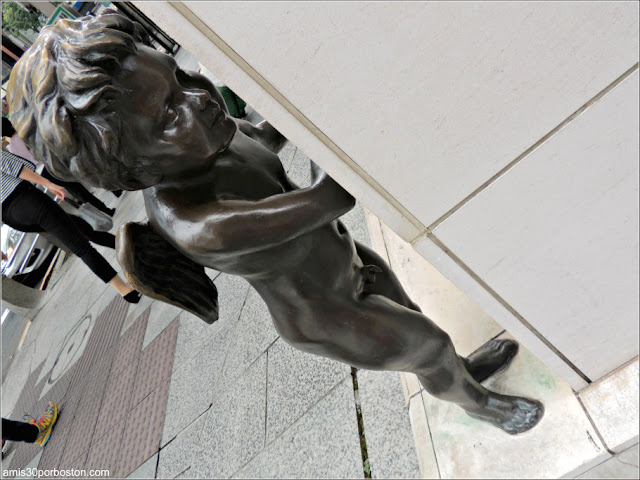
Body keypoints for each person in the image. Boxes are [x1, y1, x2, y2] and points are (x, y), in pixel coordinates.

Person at [6, 13, 542, 434]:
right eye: (169, 114)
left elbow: (268, 134)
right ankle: (482, 405)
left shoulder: (212, 139)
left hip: (348, 261)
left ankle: (462, 369)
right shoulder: (198, 222)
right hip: (327, 315)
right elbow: (331, 197)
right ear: (134, 166)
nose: (200, 98)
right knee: (423, 346)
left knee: (423, 328)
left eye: (180, 77)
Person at [1, 147, 141, 303]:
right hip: (26, 201)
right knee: (81, 247)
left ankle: (134, 247)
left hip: (12, 218)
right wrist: (49, 184)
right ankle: (125, 290)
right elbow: (14, 167)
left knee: (80, 227)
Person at [3, 116, 116, 217]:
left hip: (43, 173)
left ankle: (105, 211)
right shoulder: (26, 133)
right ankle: (114, 189)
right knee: (85, 174)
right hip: (52, 162)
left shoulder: (11, 148)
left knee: (78, 191)